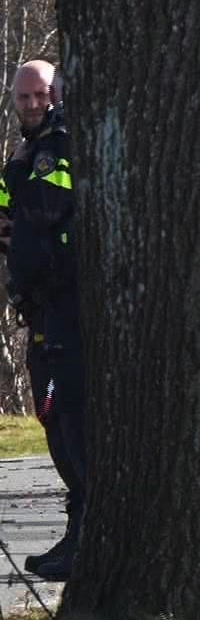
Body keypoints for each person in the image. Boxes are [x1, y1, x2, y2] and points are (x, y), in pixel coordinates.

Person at [1, 60, 85, 581]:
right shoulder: (27, 153)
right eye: (23, 97)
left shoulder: (54, 146)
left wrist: (16, 173)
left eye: (40, 94)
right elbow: (10, 212)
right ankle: (78, 535)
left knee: (71, 422)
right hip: (38, 307)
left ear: (55, 93)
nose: (32, 104)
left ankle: (86, 538)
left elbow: (48, 205)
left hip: (65, 307)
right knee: (53, 420)